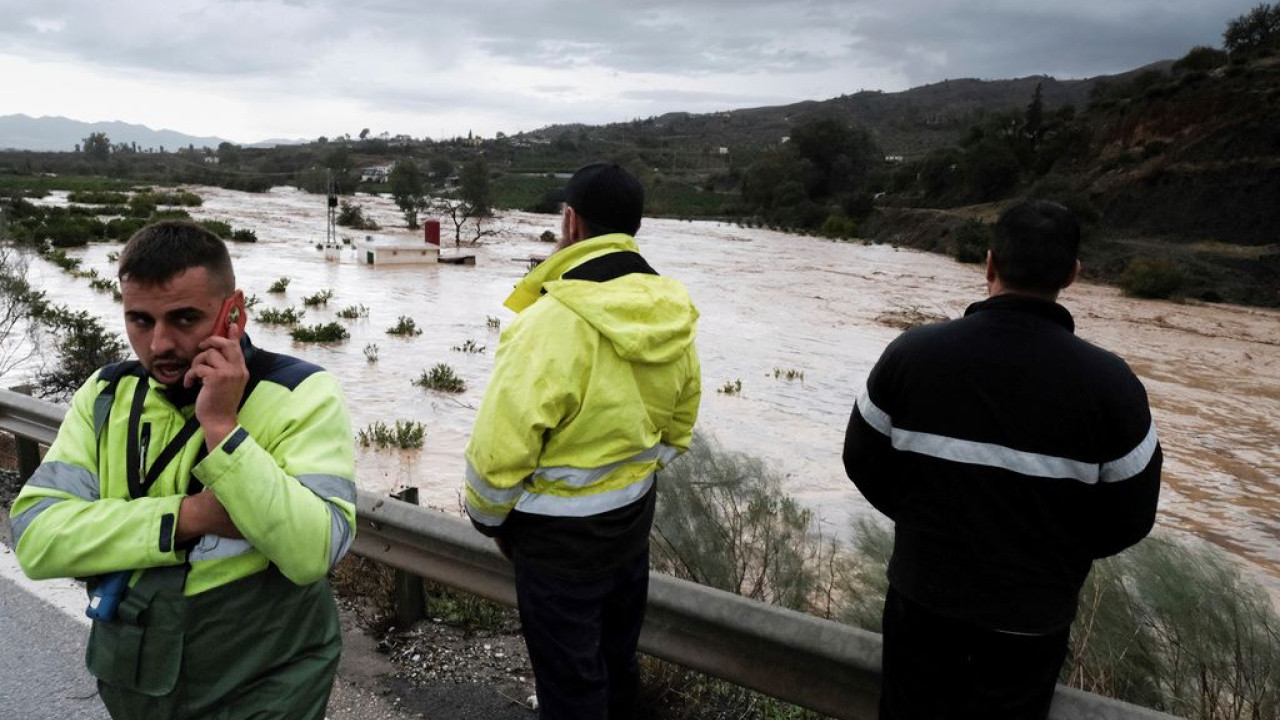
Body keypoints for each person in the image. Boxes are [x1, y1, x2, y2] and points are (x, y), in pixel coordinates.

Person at [10, 220, 357, 720]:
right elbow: (36, 539)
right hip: (137, 676)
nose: (159, 346)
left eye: (184, 319)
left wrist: (222, 427)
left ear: (233, 311)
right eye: (141, 321)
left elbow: (312, 552)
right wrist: (189, 517)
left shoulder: (301, 393)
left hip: (268, 677)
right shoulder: (106, 397)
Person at [843, 200, 1162, 719]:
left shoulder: (913, 353)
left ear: (989, 264)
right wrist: (1050, 558)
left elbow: (861, 460)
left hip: (921, 599)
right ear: (1073, 275)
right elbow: (1132, 515)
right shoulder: (1113, 385)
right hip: (1031, 619)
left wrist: (927, 527)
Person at [463, 162, 701, 720]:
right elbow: (681, 422)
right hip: (632, 523)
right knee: (617, 667)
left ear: (570, 221)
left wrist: (492, 521)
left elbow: (499, 454)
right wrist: (630, 479)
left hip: (555, 544)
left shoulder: (549, 321)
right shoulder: (673, 309)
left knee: (571, 687)